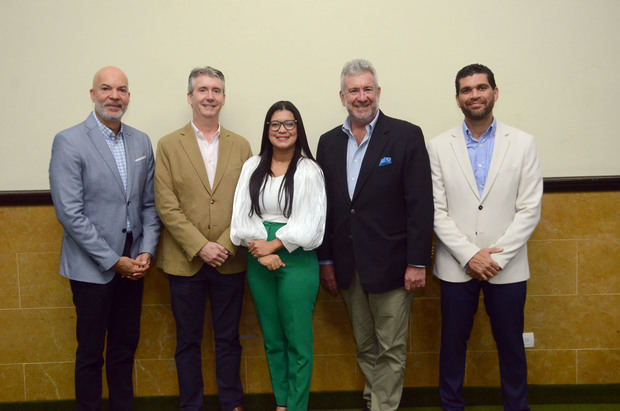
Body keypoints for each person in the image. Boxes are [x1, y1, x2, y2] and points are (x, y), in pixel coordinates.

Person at [316, 59, 434, 411]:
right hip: (349, 266)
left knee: (391, 348)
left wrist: (417, 262)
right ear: (342, 96)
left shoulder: (405, 136)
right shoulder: (328, 143)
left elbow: (420, 205)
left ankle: (383, 405)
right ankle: (375, 398)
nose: (362, 97)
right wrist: (326, 261)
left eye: (368, 89)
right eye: (354, 90)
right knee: (365, 344)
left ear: (378, 93)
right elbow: (328, 209)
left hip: (394, 266)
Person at [427, 63, 543, 411]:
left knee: (510, 344)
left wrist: (494, 258)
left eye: (481, 87)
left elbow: (529, 209)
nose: (474, 94)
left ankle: (516, 406)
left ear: (495, 92)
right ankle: (451, 406)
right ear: (458, 98)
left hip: (505, 268)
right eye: (466, 89)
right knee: (452, 345)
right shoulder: (437, 146)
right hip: (455, 266)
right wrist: (469, 255)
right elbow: (436, 210)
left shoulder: (523, 143)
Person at [49, 66, 160, 410]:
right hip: (93, 267)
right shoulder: (69, 141)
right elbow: (70, 212)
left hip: (135, 264)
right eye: (107, 89)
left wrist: (146, 251)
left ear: (129, 96)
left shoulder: (140, 141)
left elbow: (149, 204)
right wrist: (114, 261)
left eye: (122, 90)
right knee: (91, 352)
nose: (115, 96)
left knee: (125, 348)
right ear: (93, 94)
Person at [154, 66, 251, 411]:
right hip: (185, 262)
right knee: (188, 342)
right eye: (203, 90)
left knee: (228, 340)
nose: (210, 96)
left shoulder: (241, 145)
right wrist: (200, 246)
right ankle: (190, 405)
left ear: (224, 98)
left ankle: (232, 402)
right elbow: (166, 205)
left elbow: (246, 203)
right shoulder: (167, 145)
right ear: (190, 97)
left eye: (216, 90)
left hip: (230, 260)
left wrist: (223, 246)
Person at [231, 101, 326, 411]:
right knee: (272, 339)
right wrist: (261, 251)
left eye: (289, 123)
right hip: (258, 259)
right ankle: (282, 404)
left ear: (298, 129)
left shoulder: (309, 170)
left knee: (298, 342)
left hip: (296, 261)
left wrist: (274, 246)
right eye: (275, 124)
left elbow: (310, 224)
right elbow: (241, 217)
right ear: (267, 129)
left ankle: (297, 406)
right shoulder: (252, 166)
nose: (282, 130)